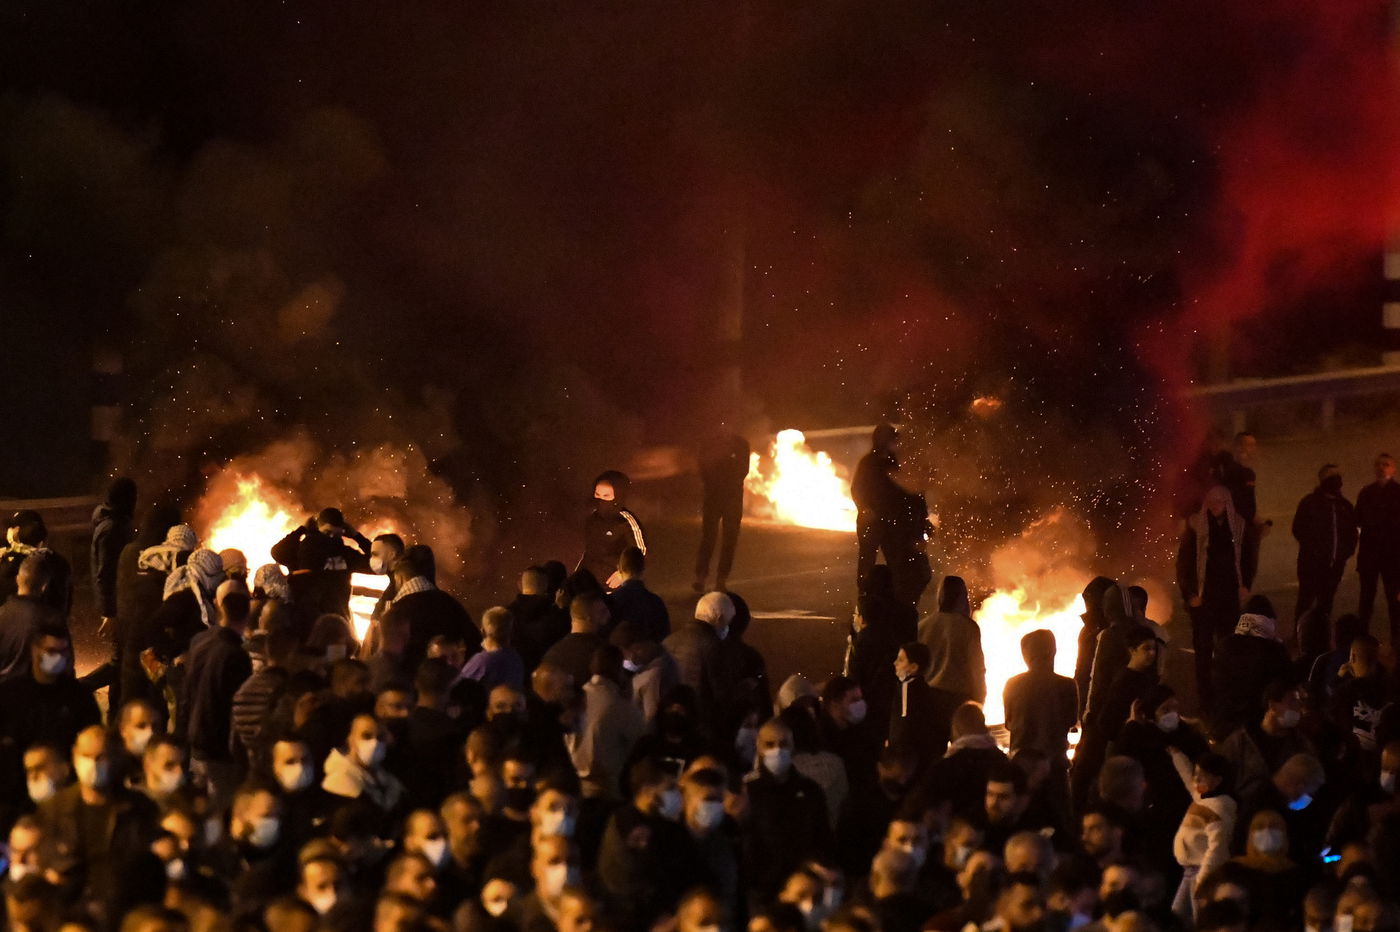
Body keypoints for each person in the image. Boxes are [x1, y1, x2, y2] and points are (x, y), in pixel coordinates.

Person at [179, 581, 253, 811]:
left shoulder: (199, 641)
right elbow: (235, 707)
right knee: (221, 809)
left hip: (194, 739)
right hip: (219, 748)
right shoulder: (236, 655)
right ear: (248, 613)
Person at [1178, 486, 1248, 706]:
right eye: (1212, 502)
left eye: (1220, 502)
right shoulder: (1195, 528)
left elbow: (1247, 558)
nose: (1216, 506)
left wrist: (1245, 585)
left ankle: (1227, 691)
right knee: (1204, 650)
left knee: (1228, 647)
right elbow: (1183, 566)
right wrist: (1190, 595)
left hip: (1228, 598)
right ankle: (1206, 697)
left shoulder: (1237, 526)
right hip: (1203, 600)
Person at [851, 424, 932, 609]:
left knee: (898, 562)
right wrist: (866, 509)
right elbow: (857, 490)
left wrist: (922, 520)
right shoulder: (869, 463)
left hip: (893, 524)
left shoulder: (899, 463)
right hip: (872, 522)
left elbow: (914, 491)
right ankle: (865, 599)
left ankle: (896, 601)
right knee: (867, 562)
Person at [270, 507, 372, 634]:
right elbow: (277, 552)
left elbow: (376, 565)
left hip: (336, 624)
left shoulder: (345, 554)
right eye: (327, 532)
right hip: (305, 625)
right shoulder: (302, 551)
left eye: (337, 534)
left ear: (343, 533)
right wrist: (301, 530)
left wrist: (357, 536)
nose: (331, 538)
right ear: (317, 528)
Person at [383, 546, 479, 674]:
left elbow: (387, 656)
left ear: (399, 578)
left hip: (411, 685)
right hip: (447, 684)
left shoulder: (397, 611)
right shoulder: (450, 603)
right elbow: (475, 642)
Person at [1292, 464, 1357, 626]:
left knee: (1326, 601)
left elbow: (1352, 532)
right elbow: (1298, 529)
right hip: (1311, 563)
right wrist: (1313, 550)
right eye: (1331, 475)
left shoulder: (1345, 506)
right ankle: (1299, 635)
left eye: (1338, 475)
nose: (1336, 479)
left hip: (1335, 564)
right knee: (1306, 600)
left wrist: (1345, 553)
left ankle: (1322, 635)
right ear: (1322, 480)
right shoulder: (1309, 503)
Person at [916, 575, 986, 713]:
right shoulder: (968, 627)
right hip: (958, 699)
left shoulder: (923, 626)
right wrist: (979, 700)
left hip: (927, 699)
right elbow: (976, 668)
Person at [694, 430, 750, 593]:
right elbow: (702, 466)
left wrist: (728, 483)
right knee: (708, 538)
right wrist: (712, 484)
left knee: (729, 540)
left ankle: (721, 580)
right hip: (714, 496)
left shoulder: (741, 443)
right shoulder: (709, 442)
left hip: (731, 498)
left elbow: (743, 470)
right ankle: (701, 577)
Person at [0, 554, 67, 682]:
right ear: (45, 586)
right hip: (38, 697)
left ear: (17, 579)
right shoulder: (52, 620)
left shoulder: (2, 615)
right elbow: (59, 670)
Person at [1356, 452, 1400, 640]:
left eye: (1386, 464)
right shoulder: (1366, 492)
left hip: (1392, 555)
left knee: (1394, 599)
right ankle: (1363, 636)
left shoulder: (1397, 492)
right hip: (1371, 555)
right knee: (1366, 599)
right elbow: (1357, 520)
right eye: (1378, 464)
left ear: (1393, 468)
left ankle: (1396, 638)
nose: (1381, 467)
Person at [579, 471, 646, 589]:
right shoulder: (592, 519)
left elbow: (640, 552)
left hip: (615, 589)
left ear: (618, 496)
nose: (600, 500)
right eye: (597, 494)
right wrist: (578, 575)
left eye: (606, 496)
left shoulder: (625, 521)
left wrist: (622, 575)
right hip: (590, 586)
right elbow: (588, 552)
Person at [90, 477, 137, 633]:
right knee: (123, 649)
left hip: (121, 600)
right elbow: (106, 571)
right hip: (119, 603)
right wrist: (109, 612)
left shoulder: (116, 523)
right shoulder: (112, 529)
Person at [610, 547, 669, 644]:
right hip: (650, 656)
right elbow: (664, 637)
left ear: (619, 569)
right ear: (643, 569)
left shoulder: (612, 600)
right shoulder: (656, 602)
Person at [462, 607, 525, 692]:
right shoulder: (516, 659)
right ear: (511, 632)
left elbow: (459, 689)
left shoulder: (481, 662)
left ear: (483, 632)